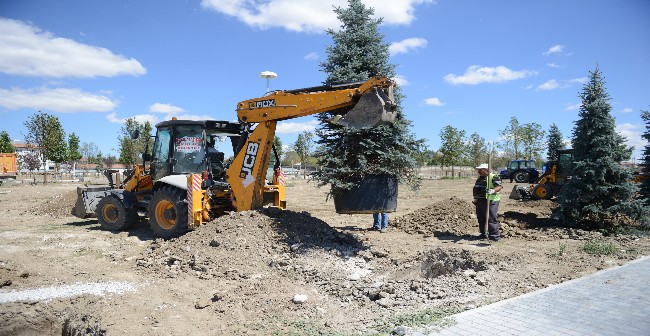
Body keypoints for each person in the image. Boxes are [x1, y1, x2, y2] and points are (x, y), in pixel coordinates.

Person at [472, 163, 503, 241]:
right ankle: (483, 234)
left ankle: (495, 237)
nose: (478, 171)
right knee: (481, 218)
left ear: (486, 170)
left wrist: (493, 190)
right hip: (480, 200)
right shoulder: (480, 178)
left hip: (491, 200)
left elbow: (499, 186)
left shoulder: (493, 177)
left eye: (480, 170)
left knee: (491, 218)